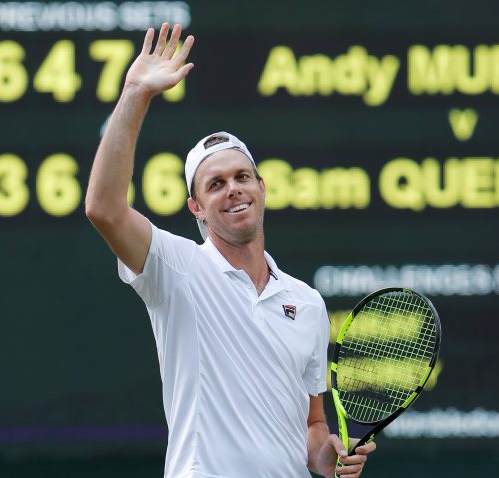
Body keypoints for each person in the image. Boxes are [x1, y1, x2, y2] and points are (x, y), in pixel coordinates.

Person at [85, 23, 376, 478]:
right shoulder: (176, 268)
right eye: (215, 184)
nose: (233, 190)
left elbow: (311, 426)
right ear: (196, 207)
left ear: (262, 187)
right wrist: (136, 93)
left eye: (242, 177)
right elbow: (103, 209)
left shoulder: (308, 303)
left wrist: (333, 458)